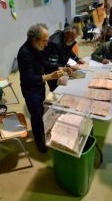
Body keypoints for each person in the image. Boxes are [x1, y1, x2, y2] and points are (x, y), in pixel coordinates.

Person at [17, 23, 64, 153]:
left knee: (41, 110)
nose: (47, 43)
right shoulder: (24, 53)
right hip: (30, 89)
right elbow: (29, 78)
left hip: (39, 86)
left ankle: (41, 130)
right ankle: (38, 140)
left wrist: (59, 67)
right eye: (44, 41)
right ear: (35, 39)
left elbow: (45, 63)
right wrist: (49, 76)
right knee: (36, 114)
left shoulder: (38, 48)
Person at [43, 25, 85, 92]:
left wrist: (77, 59)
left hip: (60, 66)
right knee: (55, 88)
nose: (74, 39)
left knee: (63, 85)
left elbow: (68, 50)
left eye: (75, 37)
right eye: (73, 37)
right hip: (51, 69)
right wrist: (67, 67)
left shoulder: (68, 39)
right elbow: (53, 63)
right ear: (67, 34)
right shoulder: (55, 43)